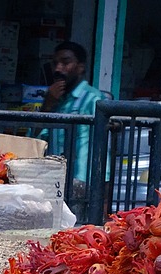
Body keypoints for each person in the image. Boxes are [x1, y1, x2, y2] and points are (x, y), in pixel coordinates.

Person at [40, 41, 106, 179]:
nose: (58, 69)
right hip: (55, 180)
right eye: (55, 63)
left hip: (83, 180)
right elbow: (36, 140)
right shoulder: (55, 100)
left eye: (65, 62)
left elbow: (105, 146)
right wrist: (47, 105)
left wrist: (104, 187)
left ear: (80, 67)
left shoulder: (93, 99)